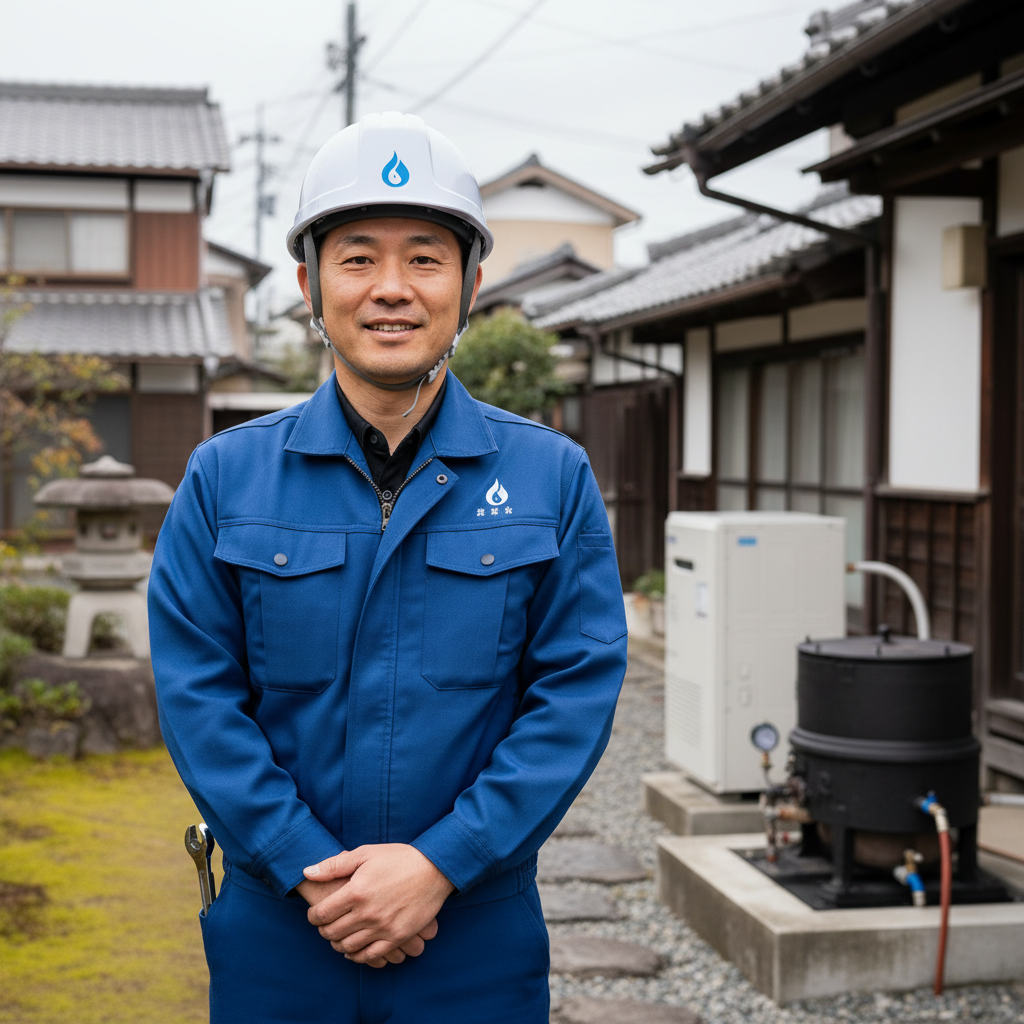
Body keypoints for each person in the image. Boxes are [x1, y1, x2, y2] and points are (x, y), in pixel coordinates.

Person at [149, 111, 627, 1024]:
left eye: (426, 258)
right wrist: (306, 866)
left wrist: (441, 861)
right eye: (359, 257)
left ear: (470, 283)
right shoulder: (226, 477)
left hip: (473, 930)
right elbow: (196, 693)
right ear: (309, 283)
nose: (392, 290)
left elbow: (575, 692)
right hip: (279, 933)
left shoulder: (549, 477)